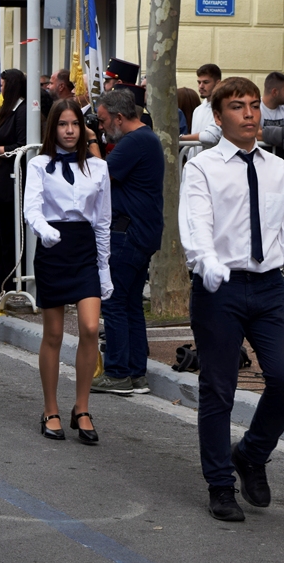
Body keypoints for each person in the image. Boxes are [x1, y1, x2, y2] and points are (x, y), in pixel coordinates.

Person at [178, 76, 284, 522]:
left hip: (270, 287)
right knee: (219, 389)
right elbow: (196, 222)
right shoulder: (201, 168)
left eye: (254, 105)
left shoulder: (277, 168)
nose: (250, 114)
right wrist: (206, 260)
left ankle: (251, 454)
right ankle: (220, 484)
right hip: (220, 289)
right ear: (218, 117)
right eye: (238, 107)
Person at [24, 98, 111, 444]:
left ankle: (82, 406)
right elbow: (31, 208)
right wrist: (44, 231)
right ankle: (50, 408)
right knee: (54, 334)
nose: (70, 131)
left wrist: (104, 269)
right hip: (52, 247)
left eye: (75, 124)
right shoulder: (39, 165)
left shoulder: (98, 168)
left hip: (84, 247)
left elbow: (103, 221)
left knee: (90, 327)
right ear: (53, 128)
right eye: (62, 124)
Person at [91, 89, 164, 395]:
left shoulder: (135, 142)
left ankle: (118, 372)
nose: (102, 125)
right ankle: (135, 374)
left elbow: (99, 177)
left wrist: (92, 142)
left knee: (116, 302)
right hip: (140, 231)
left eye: (104, 120)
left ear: (120, 117)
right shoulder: (145, 139)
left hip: (128, 232)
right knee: (131, 303)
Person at [0, 69, 28, 292]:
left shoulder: (21, 111)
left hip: (10, 183)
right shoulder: (4, 110)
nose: (0, 89)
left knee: (8, 237)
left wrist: (1, 149)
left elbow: (24, 144)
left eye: (3, 85)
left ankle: (9, 283)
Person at [180, 64, 223, 156]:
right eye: (199, 82)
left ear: (218, 83)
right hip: (194, 164)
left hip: (213, 164)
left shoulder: (223, 108)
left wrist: (181, 138)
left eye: (206, 82)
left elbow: (210, 137)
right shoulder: (198, 110)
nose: (201, 86)